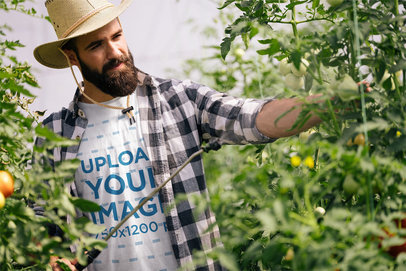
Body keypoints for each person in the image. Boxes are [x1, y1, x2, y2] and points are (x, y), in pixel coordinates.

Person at [33, 0, 321, 270]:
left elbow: (251, 117)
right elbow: (39, 221)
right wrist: (50, 256)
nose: (115, 52)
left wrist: (332, 103)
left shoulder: (177, 99)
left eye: (117, 36)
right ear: (72, 56)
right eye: (96, 45)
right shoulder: (55, 134)